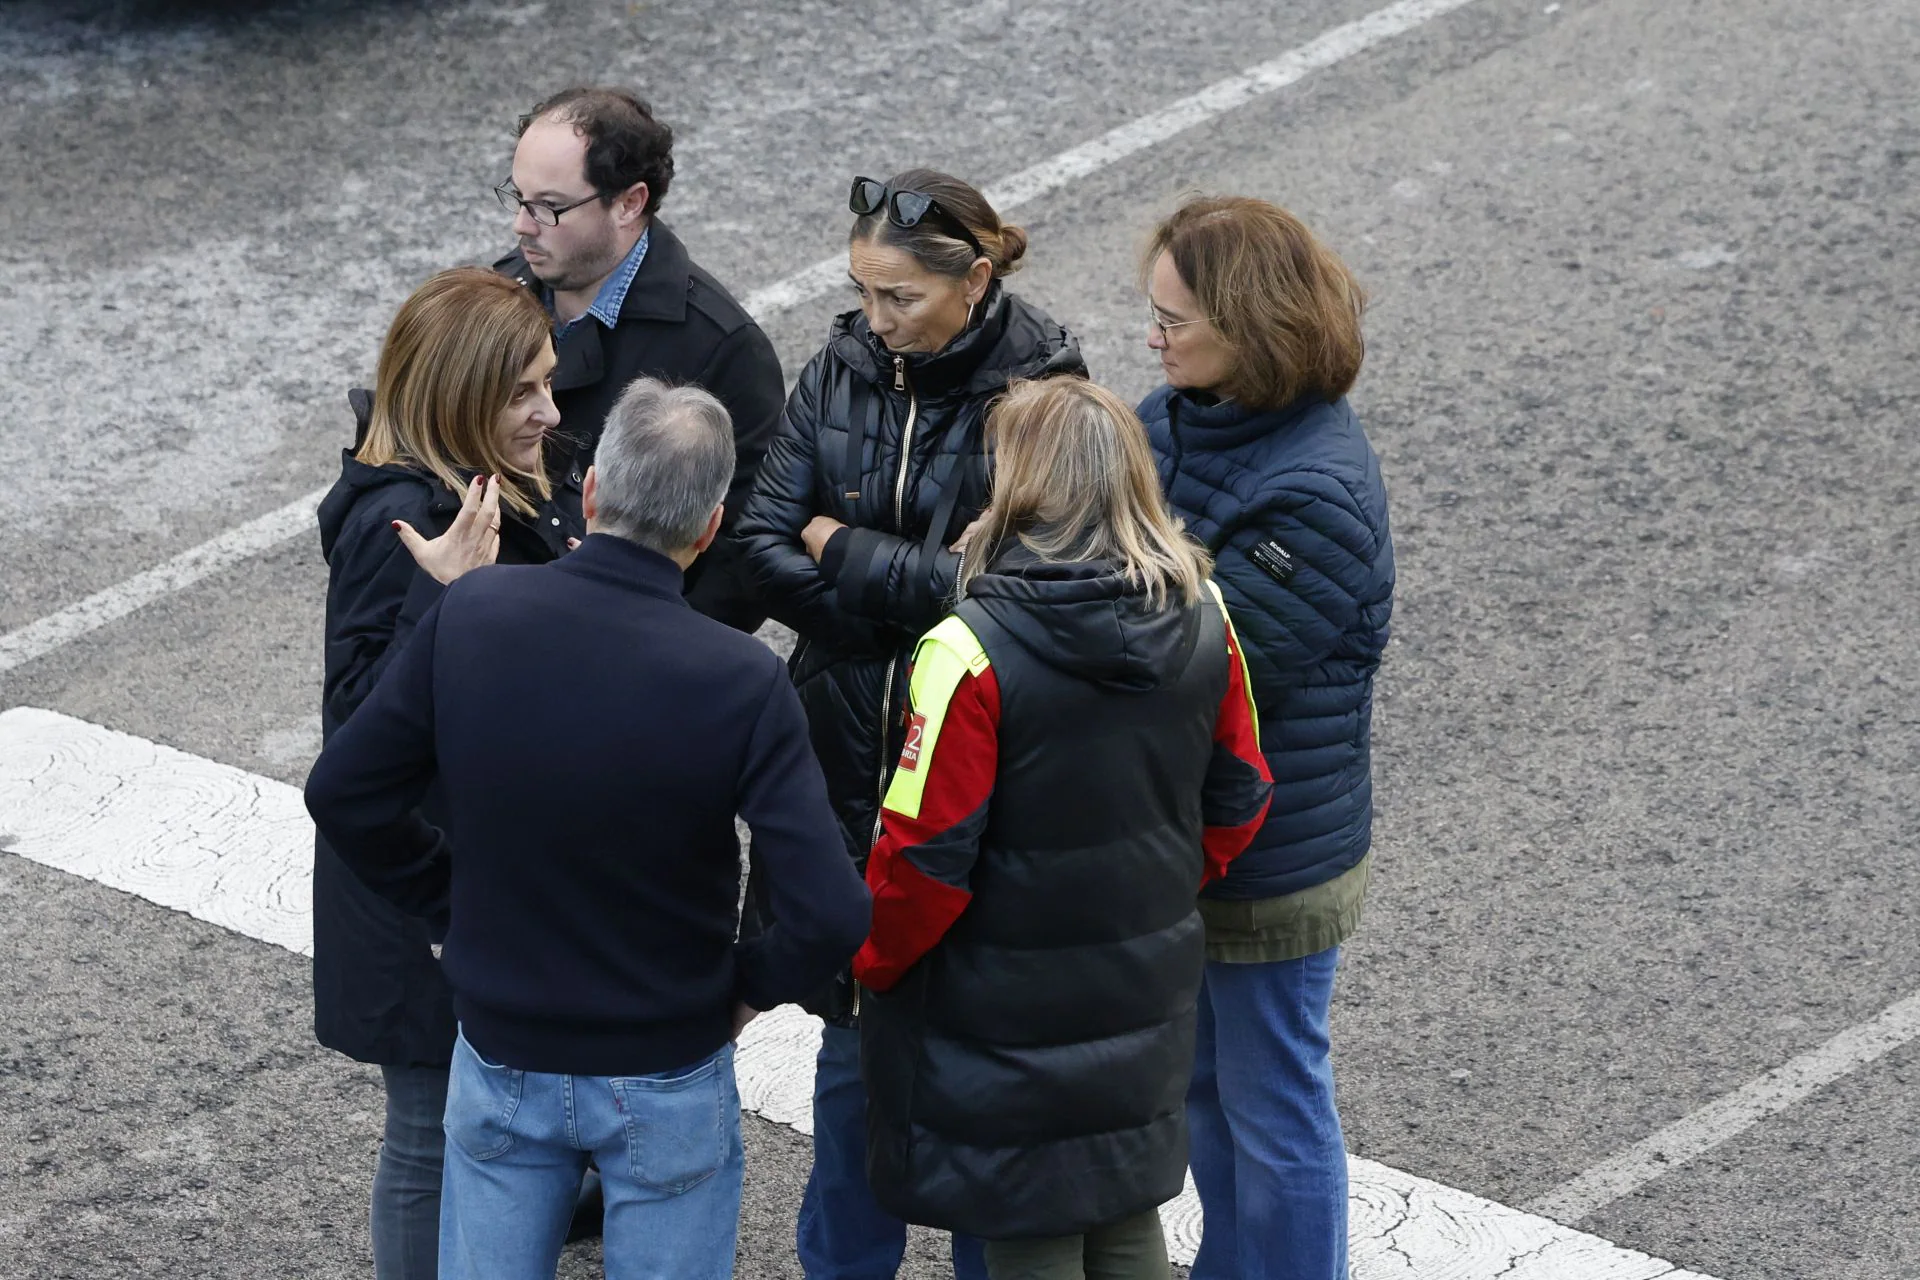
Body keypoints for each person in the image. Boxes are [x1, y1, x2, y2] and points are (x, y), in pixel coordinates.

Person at [304, 377, 873, 1280]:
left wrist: (447, 904)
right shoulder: (738, 679)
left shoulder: (474, 614)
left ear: (596, 493)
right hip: (665, 1057)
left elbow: (345, 792)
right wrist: (740, 989)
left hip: (502, 1047)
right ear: (710, 527)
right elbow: (831, 910)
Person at [737, 169, 1086, 1280]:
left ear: (975, 279)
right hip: (848, 763)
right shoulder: (840, 363)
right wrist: (915, 578)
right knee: (850, 1077)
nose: (873, 321)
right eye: (864, 291)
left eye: (900, 298)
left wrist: (838, 548)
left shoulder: (1047, 390)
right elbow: (755, 545)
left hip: (977, 772)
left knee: (975, 1097)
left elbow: (1020, 590)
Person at [852, 378, 1274, 1280]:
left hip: (998, 1004)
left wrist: (869, 964)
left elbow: (922, 862)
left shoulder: (967, 649)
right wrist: (1148, 895)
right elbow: (1241, 796)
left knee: (1029, 1230)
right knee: (1122, 1215)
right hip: (1142, 980)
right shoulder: (1208, 614)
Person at [1136, 196, 1395, 1280]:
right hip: (1199, 836)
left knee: (1274, 1104)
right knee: (1206, 1090)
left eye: (1175, 320)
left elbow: (1206, 666)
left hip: (1273, 852)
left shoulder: (1316, 492)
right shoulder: (1179, 412)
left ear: (1250, 325)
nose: (1154, 339)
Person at [313, 266, 584, 1280]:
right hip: (422, 887)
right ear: (465, 395)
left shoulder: (493, 475)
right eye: (524, 392)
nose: (549, 412)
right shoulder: (403, 524)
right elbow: (357, 730)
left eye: (548, 383)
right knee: (429, 1128)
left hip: (481, 867)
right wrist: (440, 601)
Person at [493, 85, 784, 633]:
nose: (522, 225)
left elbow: (742, 559)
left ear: (629, 203)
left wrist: (639, 655)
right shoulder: (496, 295)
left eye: (549, 207)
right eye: (519, 196)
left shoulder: (724, 351)